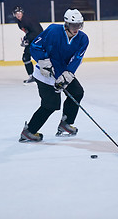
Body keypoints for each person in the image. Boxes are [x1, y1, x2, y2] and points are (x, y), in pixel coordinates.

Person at [19, 9, 89, 142]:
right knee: (51, 104)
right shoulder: (53, 30)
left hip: (63, 72)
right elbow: (35, 46)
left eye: (79, 25)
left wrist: (68, 74)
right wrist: (43, 60)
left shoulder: (83, 39)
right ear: (66, 24)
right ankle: (29, 131)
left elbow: (77, 58)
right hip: (45, 73)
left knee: (77, 92)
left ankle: (66, 123)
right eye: (74, 25)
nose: (76, 29)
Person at [12, 6, 44, 83]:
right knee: (26, 57)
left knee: (40, 58)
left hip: (38, 40)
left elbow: (37, 32)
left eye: (19, 13)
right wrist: (26, 39)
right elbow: (29, 32)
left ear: (22, 13)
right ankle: (32, 76)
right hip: (34, 40)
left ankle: (41, 75)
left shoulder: (28, 20)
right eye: (16, 13)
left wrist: (27, 39)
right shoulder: (20, 22)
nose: (18, 15)